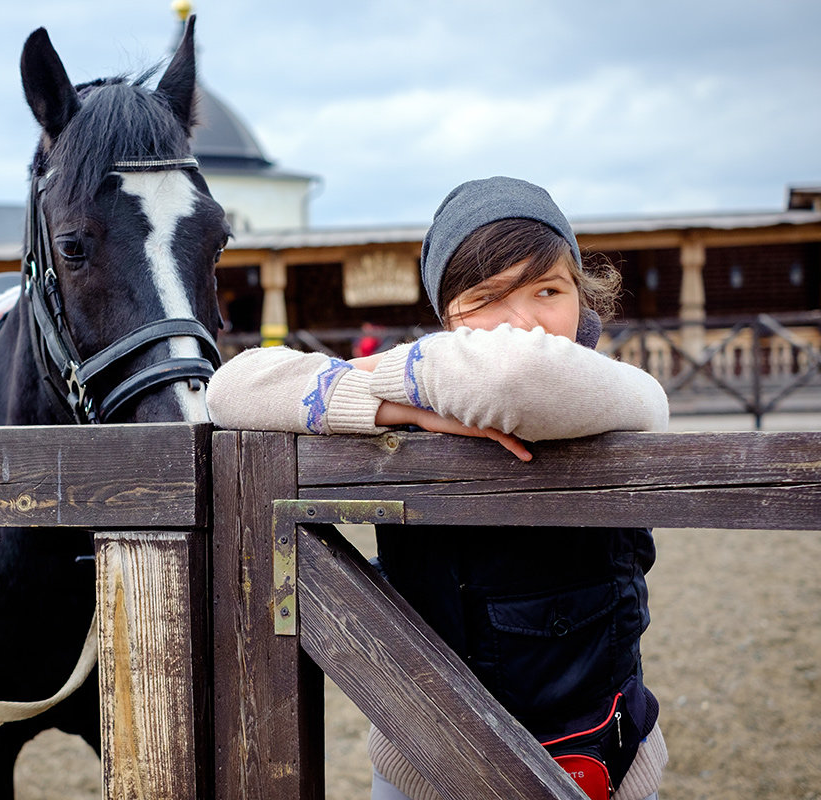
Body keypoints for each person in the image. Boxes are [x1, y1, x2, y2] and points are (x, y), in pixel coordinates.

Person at [207, 176, 669, 800]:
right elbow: (231, 387)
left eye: (548, 290)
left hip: (599, 762)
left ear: (583, 300)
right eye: (486, 298)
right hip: (424, 758)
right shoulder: (429, 390)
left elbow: (519, 374)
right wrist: (407, 412)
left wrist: (373, 378)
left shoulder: (622, 392)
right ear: (444, 310)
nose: (524, 323)